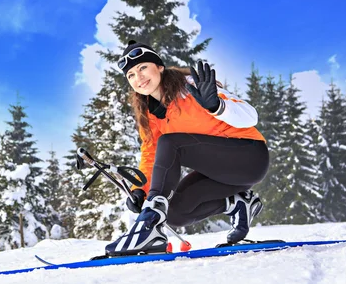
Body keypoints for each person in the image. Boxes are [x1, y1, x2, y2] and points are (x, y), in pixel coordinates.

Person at [106, 40, 269, 256]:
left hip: (249, 158)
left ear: (159, 67)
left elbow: (251, 116)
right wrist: (140, 191)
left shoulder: (191, 86)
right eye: (131, 75)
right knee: (174, 212)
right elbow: (151, 154)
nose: (139, 77)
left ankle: (150, 226)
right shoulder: (150, 114)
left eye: (143, 67)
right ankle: (238, 203)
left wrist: (216, 106)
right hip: (218, 174)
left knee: (171, 142)